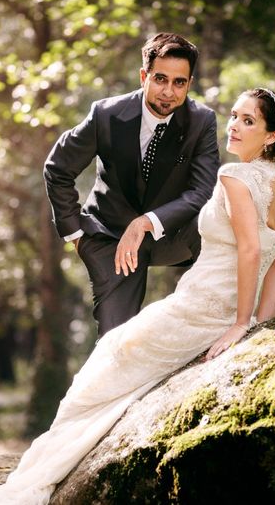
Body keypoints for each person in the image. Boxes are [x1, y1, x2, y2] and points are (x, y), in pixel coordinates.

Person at [0, 88, 275, 505]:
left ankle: (45, 472)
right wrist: (259, 320)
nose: (234, 126)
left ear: (271, 136)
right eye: (234, 116)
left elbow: (255, 252)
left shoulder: (233, 177)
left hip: (201, 310)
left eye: (249, 121)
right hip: (221, 307)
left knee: (110, 357)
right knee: (114, 354)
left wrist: (240, 325)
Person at [44, 32, 220, 336]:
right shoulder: (106, 114)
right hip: (111, 237)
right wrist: (76, 235)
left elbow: (202, 191)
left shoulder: (201, 121)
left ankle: (221, 331)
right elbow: (58, 167)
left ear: (189, 84)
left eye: (179, 83)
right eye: (160, 79)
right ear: (144, 76)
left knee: (221, 221)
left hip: (173, 234)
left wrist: (145, 223)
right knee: (115, 337)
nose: (169, 91)